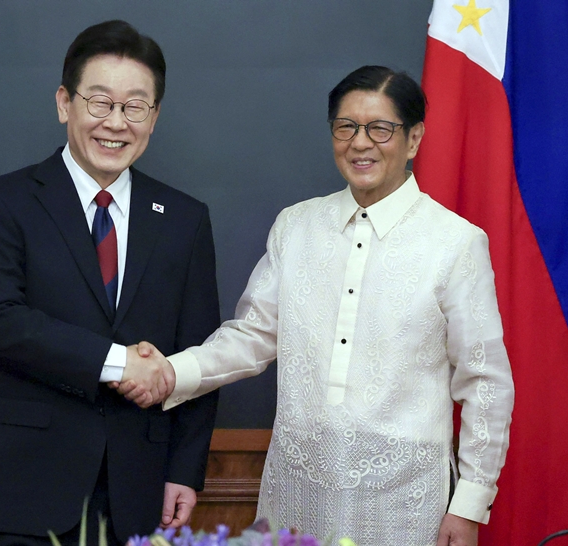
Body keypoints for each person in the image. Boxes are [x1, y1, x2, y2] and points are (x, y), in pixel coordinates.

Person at [120, 66, 514, 546]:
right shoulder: (297, 226)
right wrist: (168, 371)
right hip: (297, 492)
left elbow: (485, 383)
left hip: (405, 503)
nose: (360, 143)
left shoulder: (454, 243)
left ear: (413, 140)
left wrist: (470, 503)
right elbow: (252, 337)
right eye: (345, 127)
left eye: (380, 129)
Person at [0, 20, 220, 546]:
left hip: (136, 490)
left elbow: (197, 349)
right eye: (100, 102)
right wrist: (120, 363)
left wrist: (184, 468)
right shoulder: (3, 203)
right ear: (64, 103)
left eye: (135, 106)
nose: (116, 123)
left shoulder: (185, 219)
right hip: (22, 487)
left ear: (154, 117)